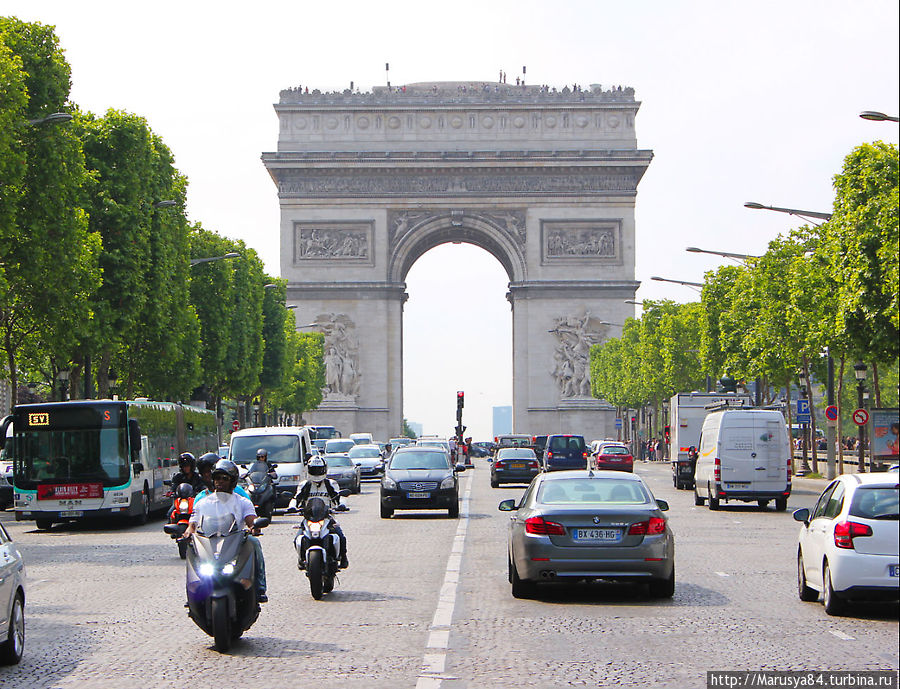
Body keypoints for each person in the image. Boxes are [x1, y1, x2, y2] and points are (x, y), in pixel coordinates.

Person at [182, 459, 268, 602]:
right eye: (216, 478)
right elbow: (193, 523)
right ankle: (193, 589)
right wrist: (188, 532)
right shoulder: (203, 503)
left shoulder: (243, 502)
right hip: (210, 541)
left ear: (233, 481)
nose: (219, 482)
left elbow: (251, 520)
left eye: (224, 478)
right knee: (191, 547)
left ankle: (260, 587)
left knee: (254, 543)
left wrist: (254, 527)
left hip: (235, 542)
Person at [287, 456, 348, 569]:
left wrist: (342, 505)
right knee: (297, 538)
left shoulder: (331, 484)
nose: (316, 472)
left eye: (319, 469)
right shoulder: (304, 485)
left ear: (324, 469)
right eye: (314, 469)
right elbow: (296, 498)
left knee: (340, 535)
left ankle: (343, 557)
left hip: (327, 517)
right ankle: (301, 558)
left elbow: (339, 497)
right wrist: (292, 507)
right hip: (309, 517)